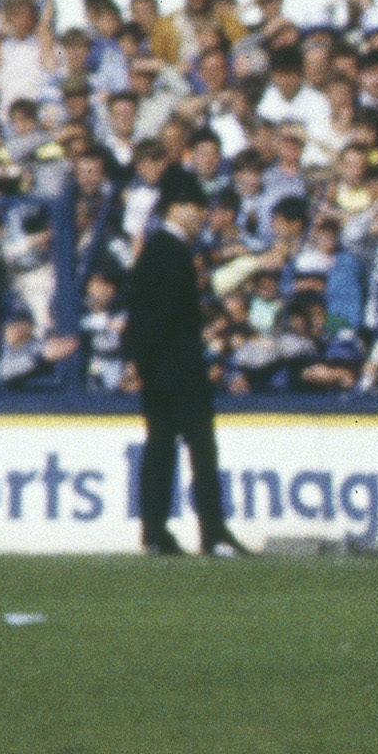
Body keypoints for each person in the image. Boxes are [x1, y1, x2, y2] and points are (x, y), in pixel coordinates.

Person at [122, 180, 244, 558]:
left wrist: (137, 358)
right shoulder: (171, 252)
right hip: (177, 366)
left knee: (160, 448)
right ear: (179, 208)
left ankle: (155, 532)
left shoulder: (158, 249)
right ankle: (212, 531)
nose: (202, 215)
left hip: (159, 365)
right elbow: (161, 314)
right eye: (197, 206)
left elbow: (141, 310)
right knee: (200, 449)